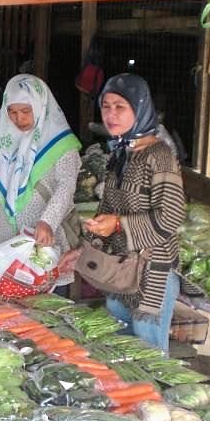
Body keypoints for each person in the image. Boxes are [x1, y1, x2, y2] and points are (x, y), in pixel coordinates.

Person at [59, 74, 186, 352]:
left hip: (151, 276)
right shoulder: (122, 152)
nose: (111, 114)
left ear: (140, 109)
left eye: (120, 107)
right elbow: (107, 209)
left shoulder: (159, 156)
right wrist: (82, 250)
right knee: (121, 353)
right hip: (120, 272)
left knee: (148, 358)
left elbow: (170, 216)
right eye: (106, 106)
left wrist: (118, 224)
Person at [0, 74, 82, 291]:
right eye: (12, 112)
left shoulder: (62, 144)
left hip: (46, 241)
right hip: (9, 238)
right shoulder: (1, 140)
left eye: (25, 111)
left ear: (41, 106)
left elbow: (66, 186)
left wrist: (47, 221)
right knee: (11, 294)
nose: (18, 119)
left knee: (46, 296)